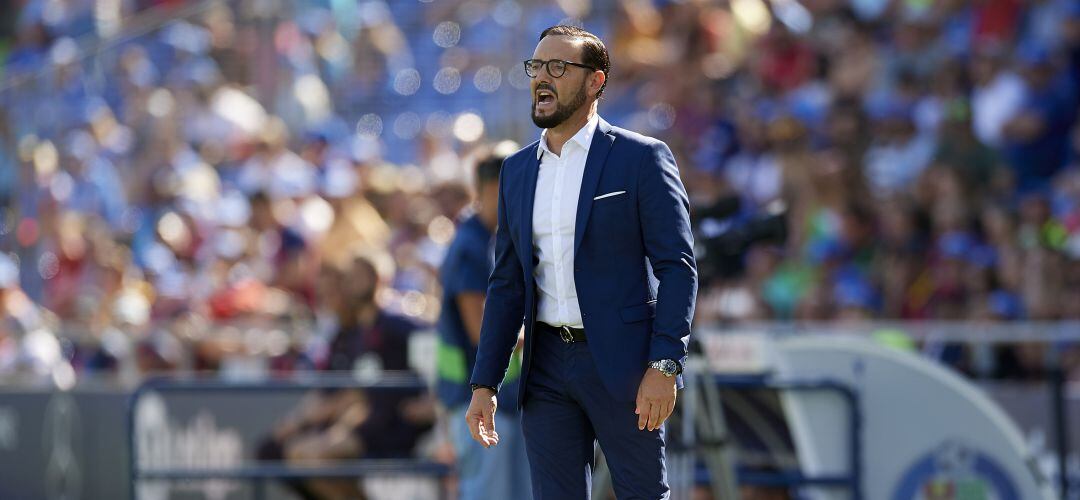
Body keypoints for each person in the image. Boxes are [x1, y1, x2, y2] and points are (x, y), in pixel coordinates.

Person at [465, 25, 698, 500]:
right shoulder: (516, 170)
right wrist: (484, 382)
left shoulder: (642, 158)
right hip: (546, 365)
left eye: (558, 67)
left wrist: (666, 364)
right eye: (535, 67)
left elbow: (677, 266)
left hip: (624, 363)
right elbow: (506, 284)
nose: (541, 79)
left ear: (596, 82)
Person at [436, 152, 532, 499]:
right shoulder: (471, 246)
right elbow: (481, 332)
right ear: (492, 188)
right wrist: (547, 334)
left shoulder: (492, 240)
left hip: (497, 399)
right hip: (474, 400)